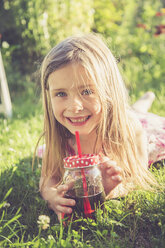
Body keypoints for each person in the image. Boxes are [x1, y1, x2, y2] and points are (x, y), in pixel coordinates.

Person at [38, 33, 161, 222]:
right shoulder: (59, 136)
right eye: (61, 93)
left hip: (139, 125)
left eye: (87, 91)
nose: (74, 107)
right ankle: (141, 103)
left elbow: (137, 178)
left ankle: (145, 100)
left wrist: (107, 189)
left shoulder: (129, 130)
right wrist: (52, 197)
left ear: (109, 91)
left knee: (139, 115)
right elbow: (48, 179)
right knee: (135, 110)